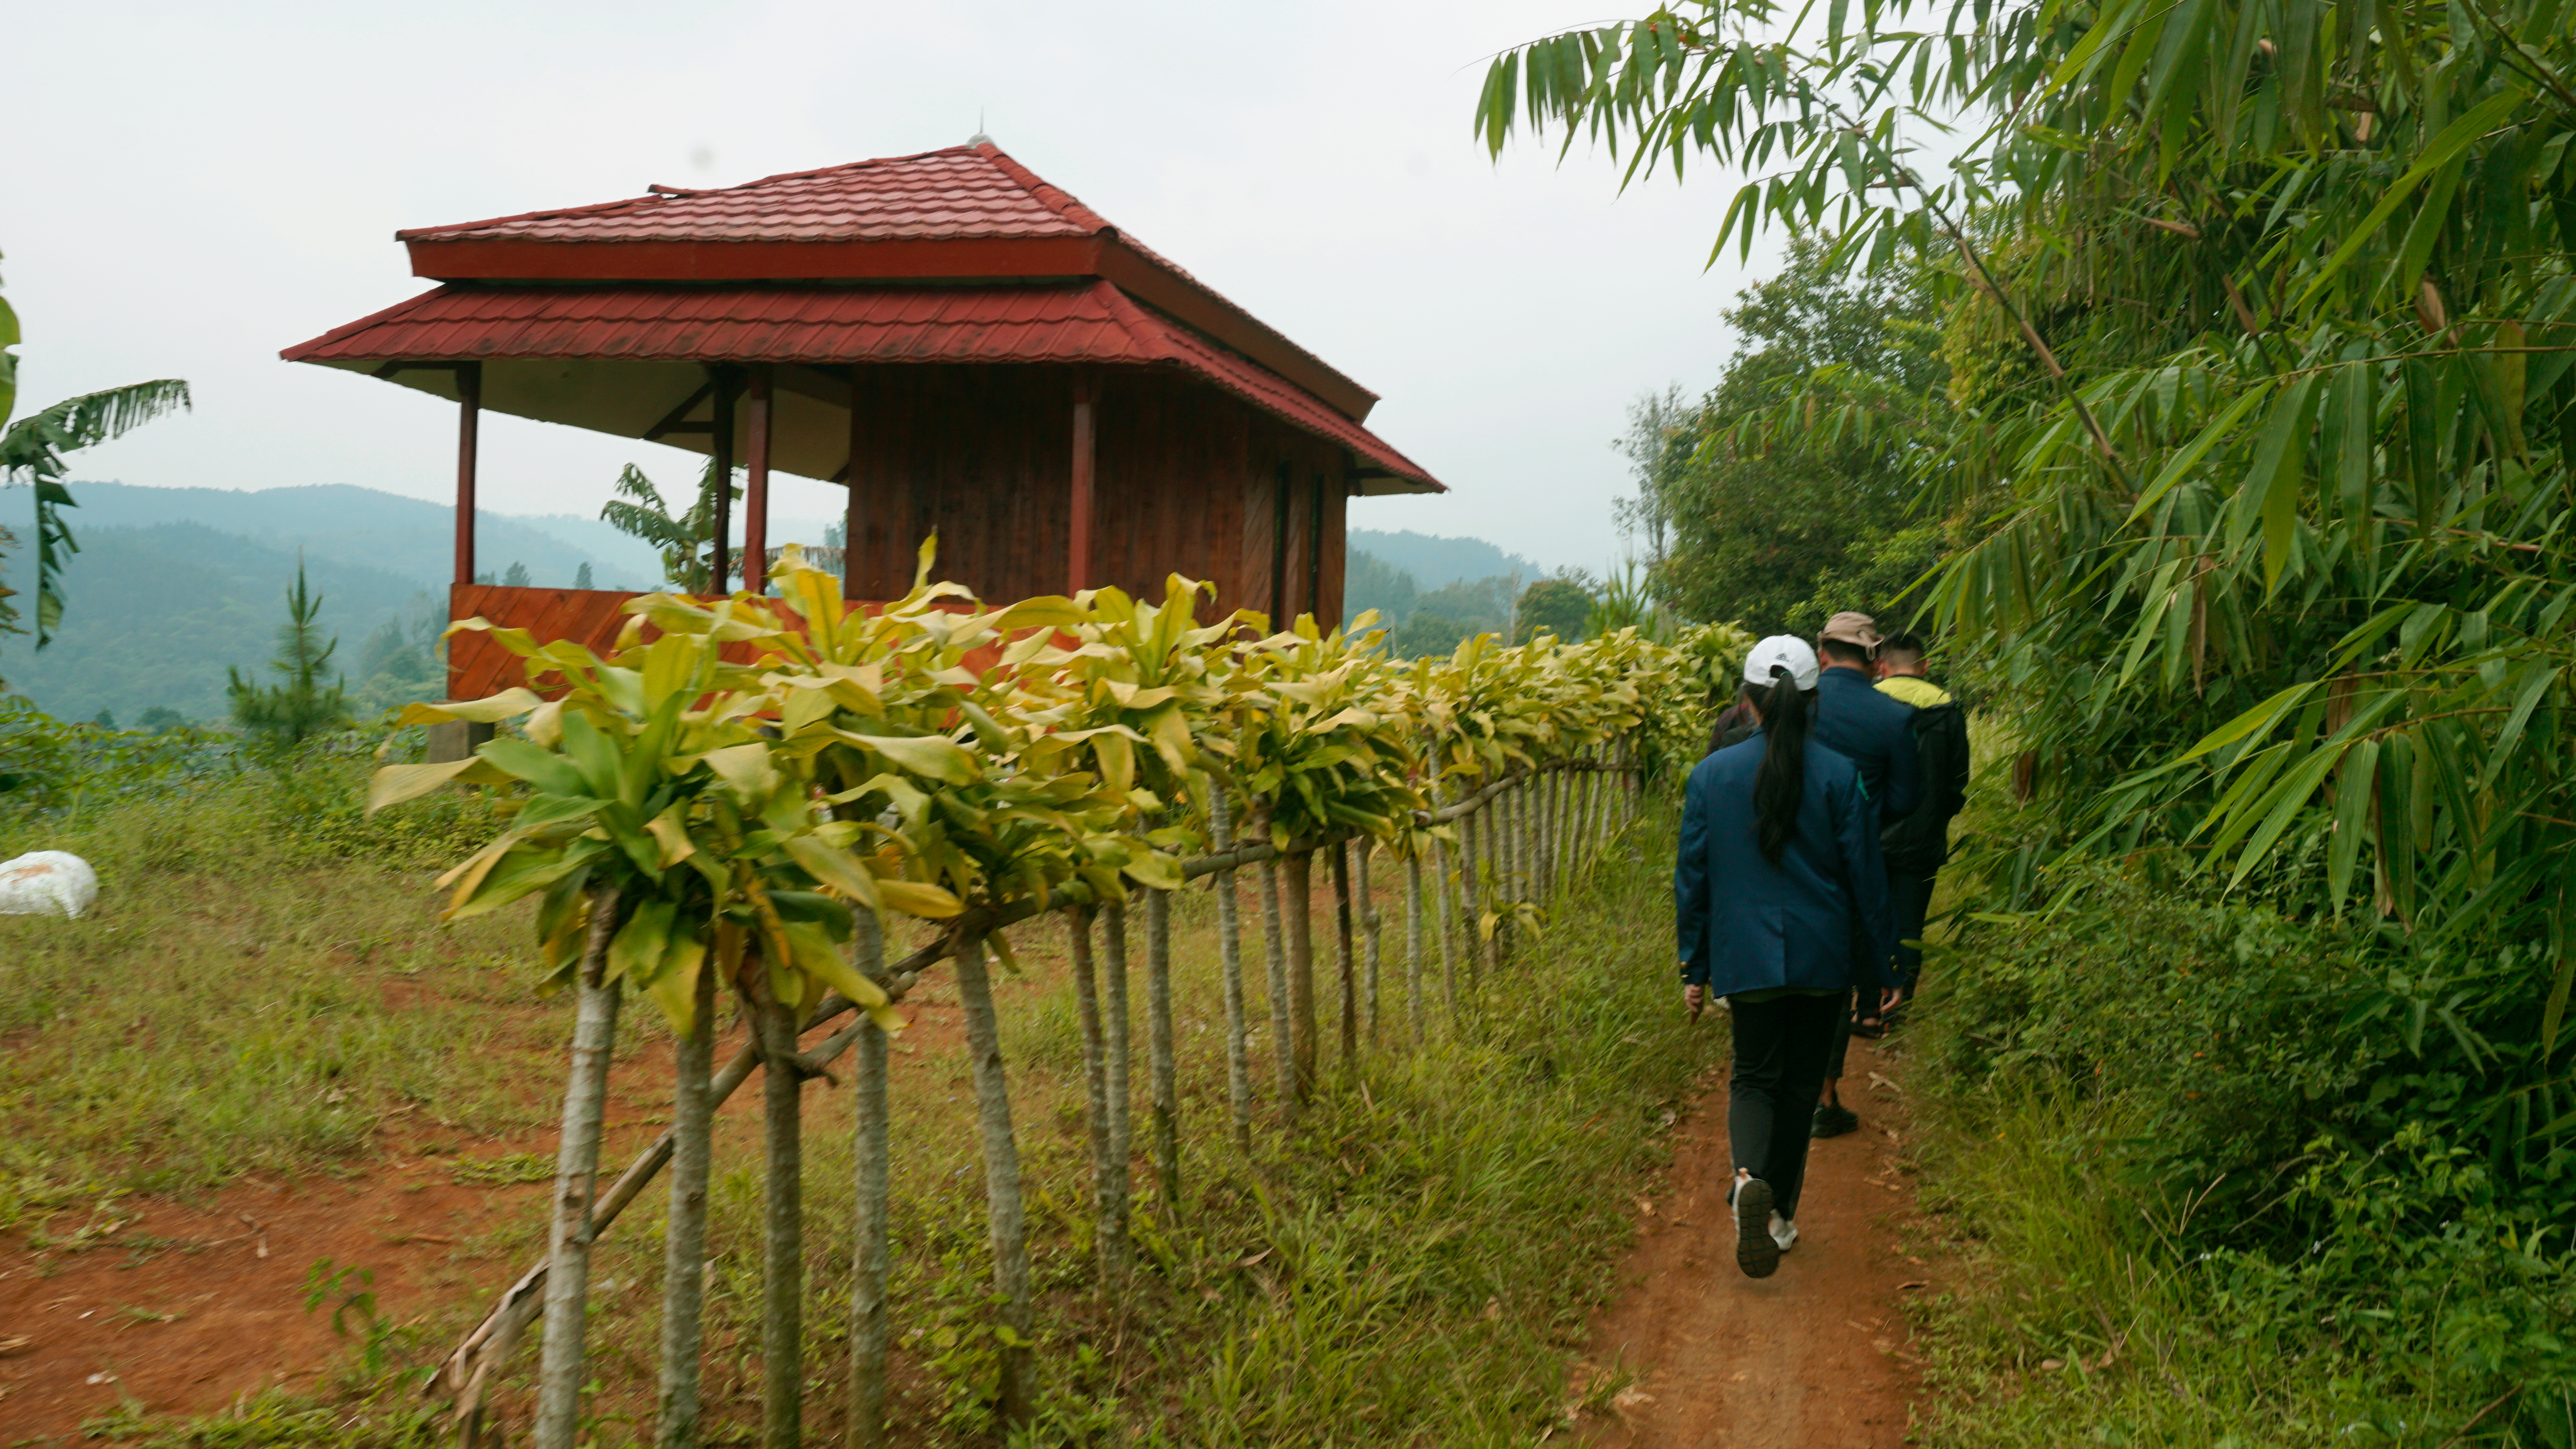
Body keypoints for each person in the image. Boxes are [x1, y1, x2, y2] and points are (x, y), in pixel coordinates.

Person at [1675, 635, 1898, 1279]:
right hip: (1822, 957)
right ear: (1813, 700)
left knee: (1753, 1077)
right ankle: (1777, 1215)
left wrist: (1694, 966)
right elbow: (1867, 879)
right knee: (1801, 1088)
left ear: (1747, 701)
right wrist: (1887, 967)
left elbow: (1693, 879)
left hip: (1744, 957)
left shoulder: (1712, 775)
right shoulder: (1839, 775)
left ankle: (1749, 1179)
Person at [1807, 611, 1918, 1138]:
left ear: (1821, 654)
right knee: (1836, 982)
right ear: (1875, 660)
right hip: (1852, 865)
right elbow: (1905, 800)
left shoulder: (1801, 704)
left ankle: (1772, 1084)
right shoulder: (1894, 718)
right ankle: (1823, 1097)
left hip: (1788, 857)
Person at [1872, 631, 1971, 1007]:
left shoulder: (1870, 704)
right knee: (1910, 924)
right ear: (1925, 666)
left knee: (1868, 917)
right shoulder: (1949, 708)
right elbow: (1958, 780)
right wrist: (1940, 817)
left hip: (1872, 834)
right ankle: (1900, 1008)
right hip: (1924, 835)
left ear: (1882, 667)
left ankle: (1868, 1005)